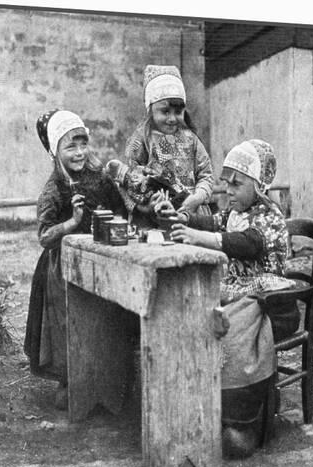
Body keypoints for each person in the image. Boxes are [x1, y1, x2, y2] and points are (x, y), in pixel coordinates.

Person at [155, 139, 299, 458]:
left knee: (232, 333)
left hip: (272, 302)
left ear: (259, 186)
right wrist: (180, 218)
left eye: (237, 184)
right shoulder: (234, 212)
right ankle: (207, 406)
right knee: (197, 316)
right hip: (239, 293)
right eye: (226, 183)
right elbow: (209, 222)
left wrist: (197, 238)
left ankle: (244, 422)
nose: (229, 191)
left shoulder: (268, 216)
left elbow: (243, 243)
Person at [24, 109, 125, 409]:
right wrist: (72, 222)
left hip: (98, 258)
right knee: (69, 322)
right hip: (61, 267)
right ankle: (70, 380)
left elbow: (120, 209)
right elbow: (44, 236)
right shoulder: (54, 189)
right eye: (71, 146)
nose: (80, 152)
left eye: (83, 143)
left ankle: (103, 380)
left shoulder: (99, 179)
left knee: (101, 317)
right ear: (56, 151)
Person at [107, 65, 215, 228]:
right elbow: (126, 183)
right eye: (165, 111)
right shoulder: (140, 140)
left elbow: (206, 174)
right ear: (150, 109)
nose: (172, 118)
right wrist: (145, 206)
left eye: (178, 112)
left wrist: (198, 197)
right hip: (153, 219)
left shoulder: (191, 139)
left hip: (190, 215)